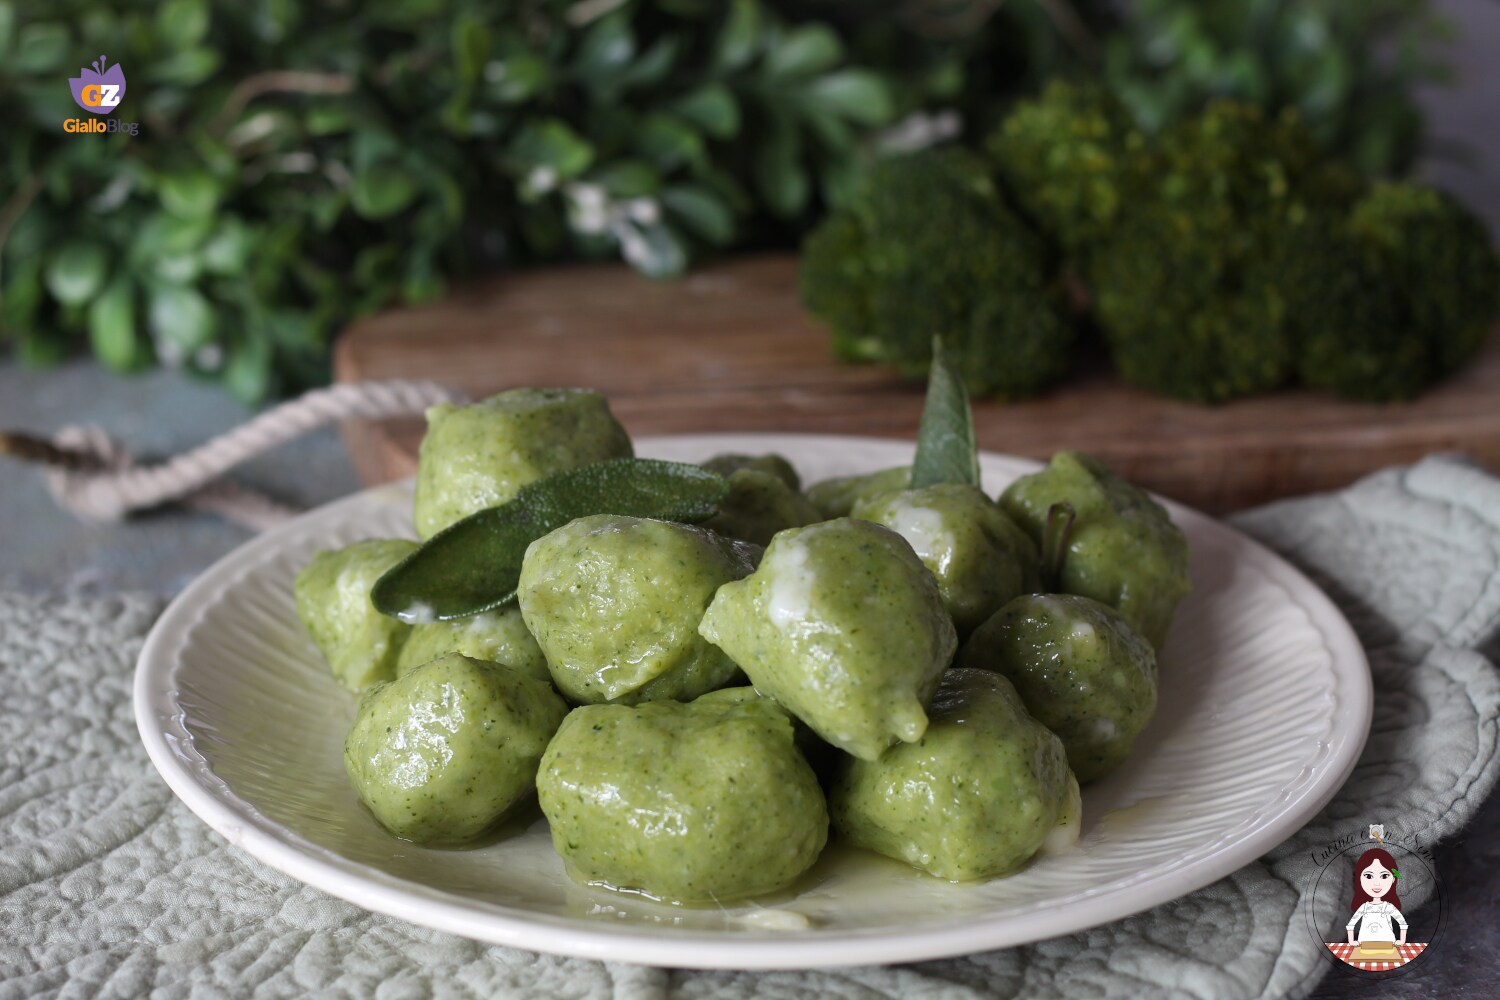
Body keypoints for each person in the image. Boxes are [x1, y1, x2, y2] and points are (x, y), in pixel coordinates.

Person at [1345, 848, 1408, 947]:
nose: (1377, 883)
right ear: (1360, 879)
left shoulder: (1388, 907)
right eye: (1369, 876)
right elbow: (1350, 925)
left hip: (1387, 944)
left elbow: (1403, 923)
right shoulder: (1364, 907)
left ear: (1393, 879)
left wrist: (1401, 941)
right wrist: (1352, 941)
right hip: (1365, 944)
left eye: (1384, 876)